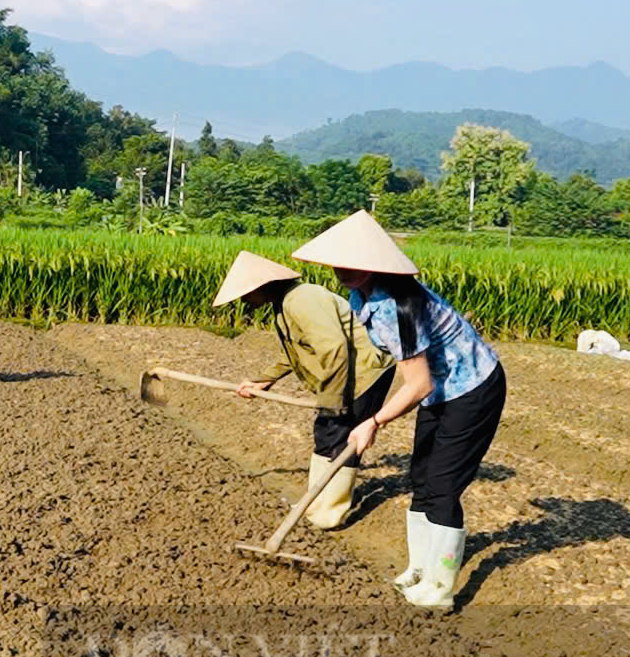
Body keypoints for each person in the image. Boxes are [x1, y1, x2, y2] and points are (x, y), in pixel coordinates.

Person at [291, 211, 507, 609]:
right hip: (439, 390)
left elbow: (418, 382)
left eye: (354, 263)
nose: (344, 270)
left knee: (443, 486)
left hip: (473, 389)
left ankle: (440, 587)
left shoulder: (394, 306)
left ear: (375, 265)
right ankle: (419, 569)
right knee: (420, 478)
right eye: (339, 262)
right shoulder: (362, 297)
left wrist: (374, 421)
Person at [214, 250, 395, 529]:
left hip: (365, 374)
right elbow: (297, 352)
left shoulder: (302, 299)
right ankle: (315, 502)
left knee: (342, 438)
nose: (244, 301)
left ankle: (329, 513)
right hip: (347, 374)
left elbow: (334, 349)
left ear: (261, 286)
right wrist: (264, 380)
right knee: (326, 433)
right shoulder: (284, 305)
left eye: (245, 294)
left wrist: (332, 401)